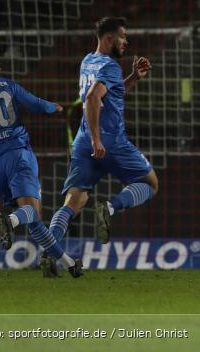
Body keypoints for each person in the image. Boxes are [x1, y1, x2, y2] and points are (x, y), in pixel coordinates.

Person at [0, 49, 83, 278]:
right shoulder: (7, 85)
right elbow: (37, 104)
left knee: (33, 218)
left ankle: (69, 264)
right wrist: (55, 107)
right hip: (17, 155)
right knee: (31, 213)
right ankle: (10, 220)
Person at [47, 17, 157, 252]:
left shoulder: (88, 61)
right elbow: (92, 98)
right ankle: (110, 207)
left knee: (73, 201)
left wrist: (134, 77)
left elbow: (110, 95)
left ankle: (50, 252)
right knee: (150, 183)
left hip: (83, 141)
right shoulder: (110, 66)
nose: (126, 41)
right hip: (110, 141)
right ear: (110, 38)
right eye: (123, 36)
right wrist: (98, 139)